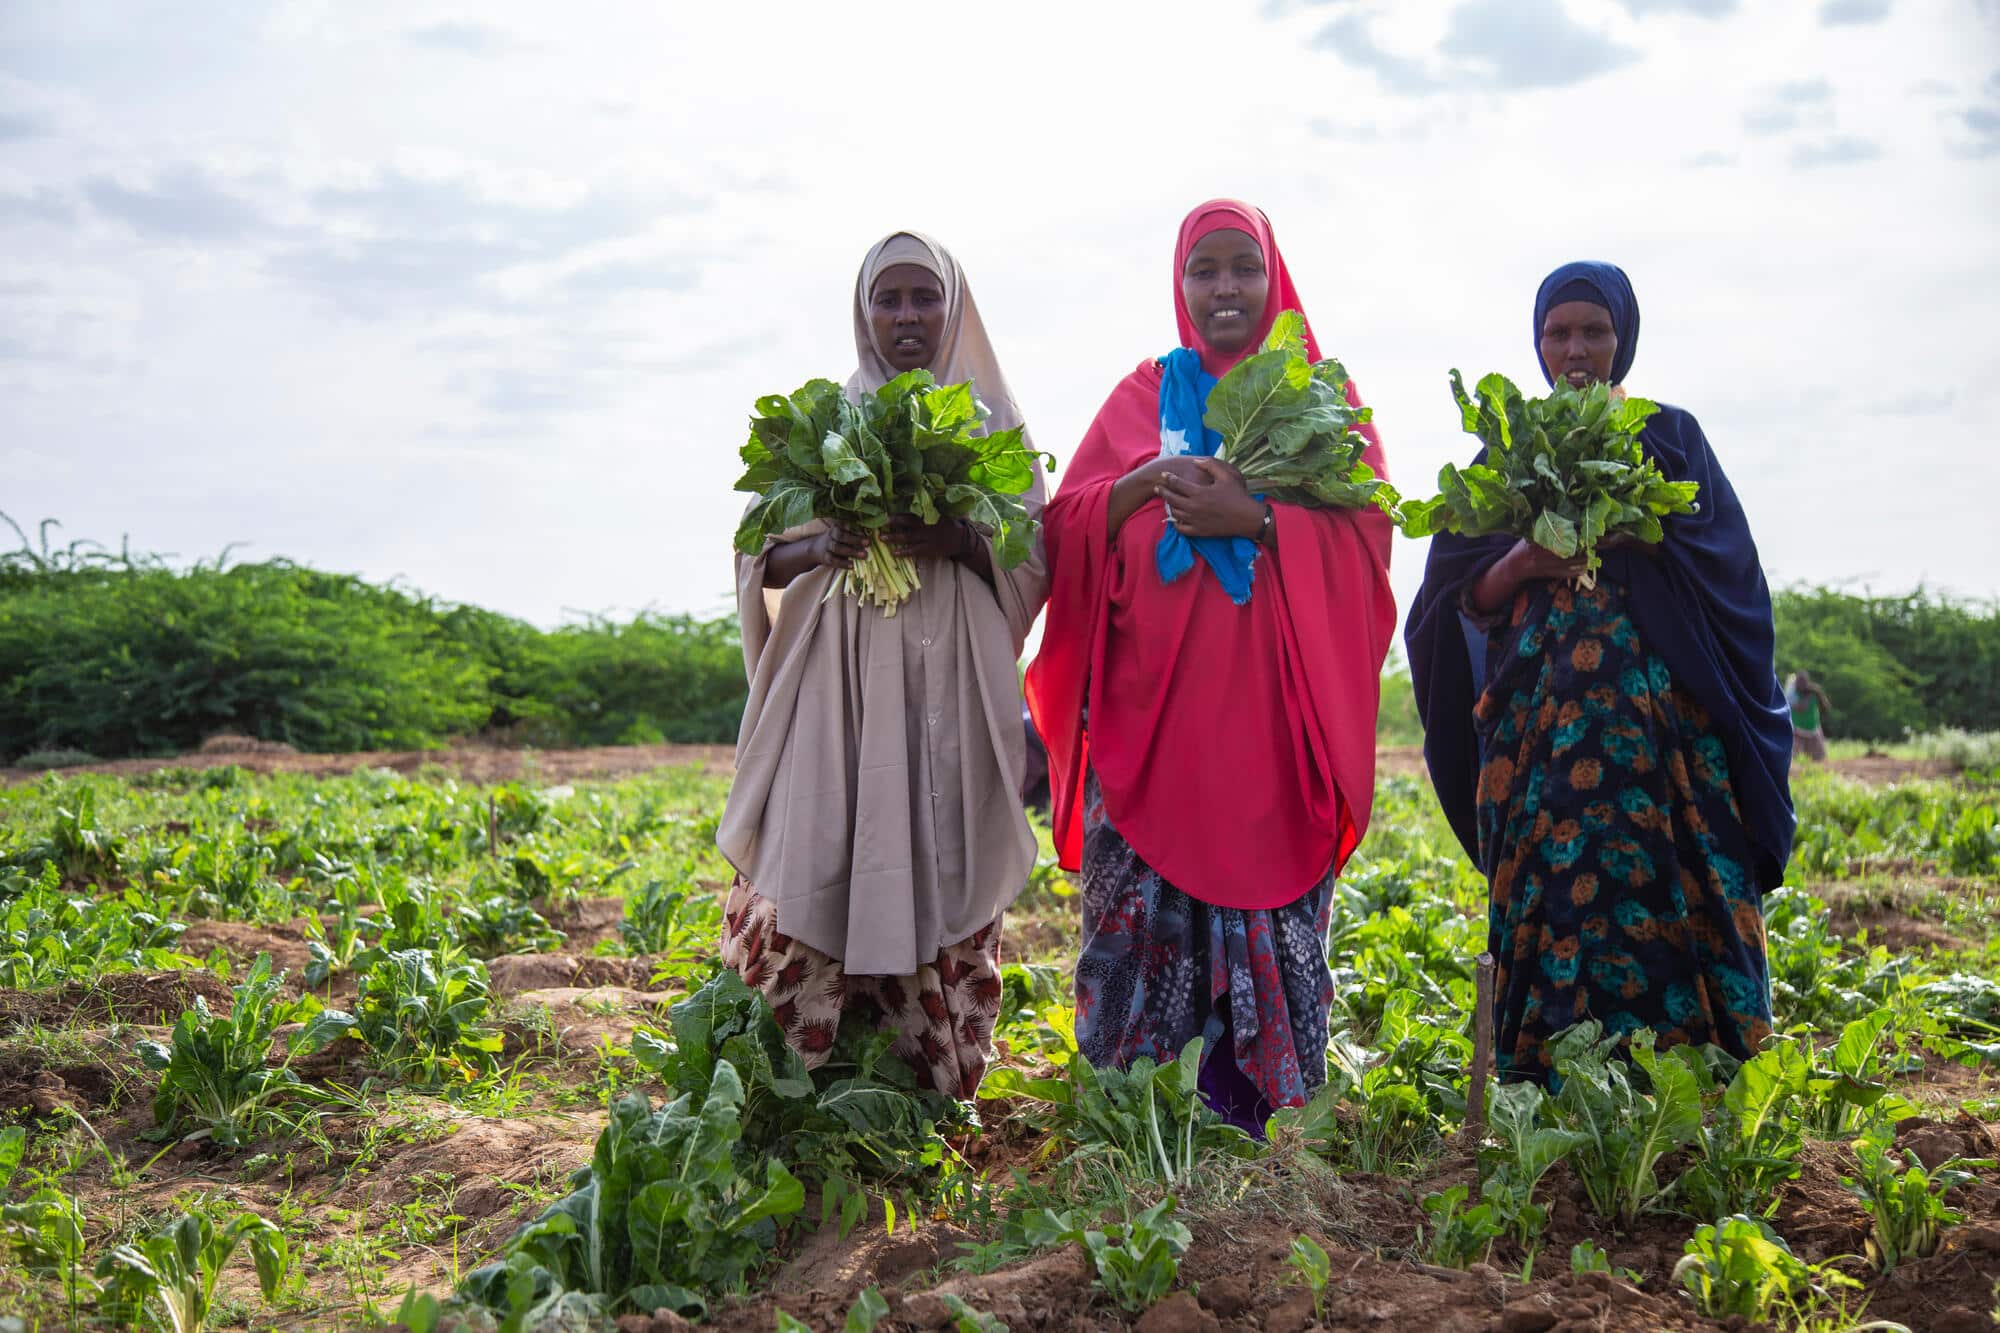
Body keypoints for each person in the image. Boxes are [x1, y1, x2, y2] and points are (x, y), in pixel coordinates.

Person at [1027, 200, 1396, 1132]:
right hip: (1147, 730)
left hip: (1270, 737)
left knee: (1269, 915)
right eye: (1205, 271)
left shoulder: (1321, 401)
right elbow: (1064, 528)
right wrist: (1142, 485)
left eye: (1243, 267)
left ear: (1274, 279)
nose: (1224, 288)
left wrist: (1262, 520)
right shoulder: (1141, 397)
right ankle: (1136, 1125)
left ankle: (1259, 1127)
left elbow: (1365, 541)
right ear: (1180, 285)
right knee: (1133, 940)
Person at [1406, 261, 1796, 1085]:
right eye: (1559, 332)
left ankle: (1697, 1080)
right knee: (1557, 892)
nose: (1576, 349)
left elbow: (1733, 576)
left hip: (1669, 738)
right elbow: (1451, 598)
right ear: (1538, 343)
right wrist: (1522, 561)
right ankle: (1551, 1077)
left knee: (1683, 884)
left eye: (1594, 331)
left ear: (1624, 339)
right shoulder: (1509, 450)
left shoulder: (1670, 437)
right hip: (1543, 743)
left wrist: (1643, 534)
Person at [715, 232, 1048, 1097]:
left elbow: (1033, 555)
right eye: (888, 299)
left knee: (940, 847)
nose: (906, 316)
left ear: (953, 307)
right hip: (840, 689)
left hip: (947, 686)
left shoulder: (991, 423)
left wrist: (955, 537)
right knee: (821, 839)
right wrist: (826, 540)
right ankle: (801, 1078)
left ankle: (925, 1084)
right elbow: (759, 555)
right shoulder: (832, 418)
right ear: (863, 311)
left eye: (924, 298)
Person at [1786, 670, 1832, 762]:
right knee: (1791, 758)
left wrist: (1818, 693)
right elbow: (1800, 708)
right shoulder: (1792, 694)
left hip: (1813, 730)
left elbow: (1826, 706)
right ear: (1796, 682)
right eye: (1799, 681)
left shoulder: (1814, 692)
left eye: (1804, 681)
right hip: (1797, 731)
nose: (1801, 684)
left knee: (1820, 758)